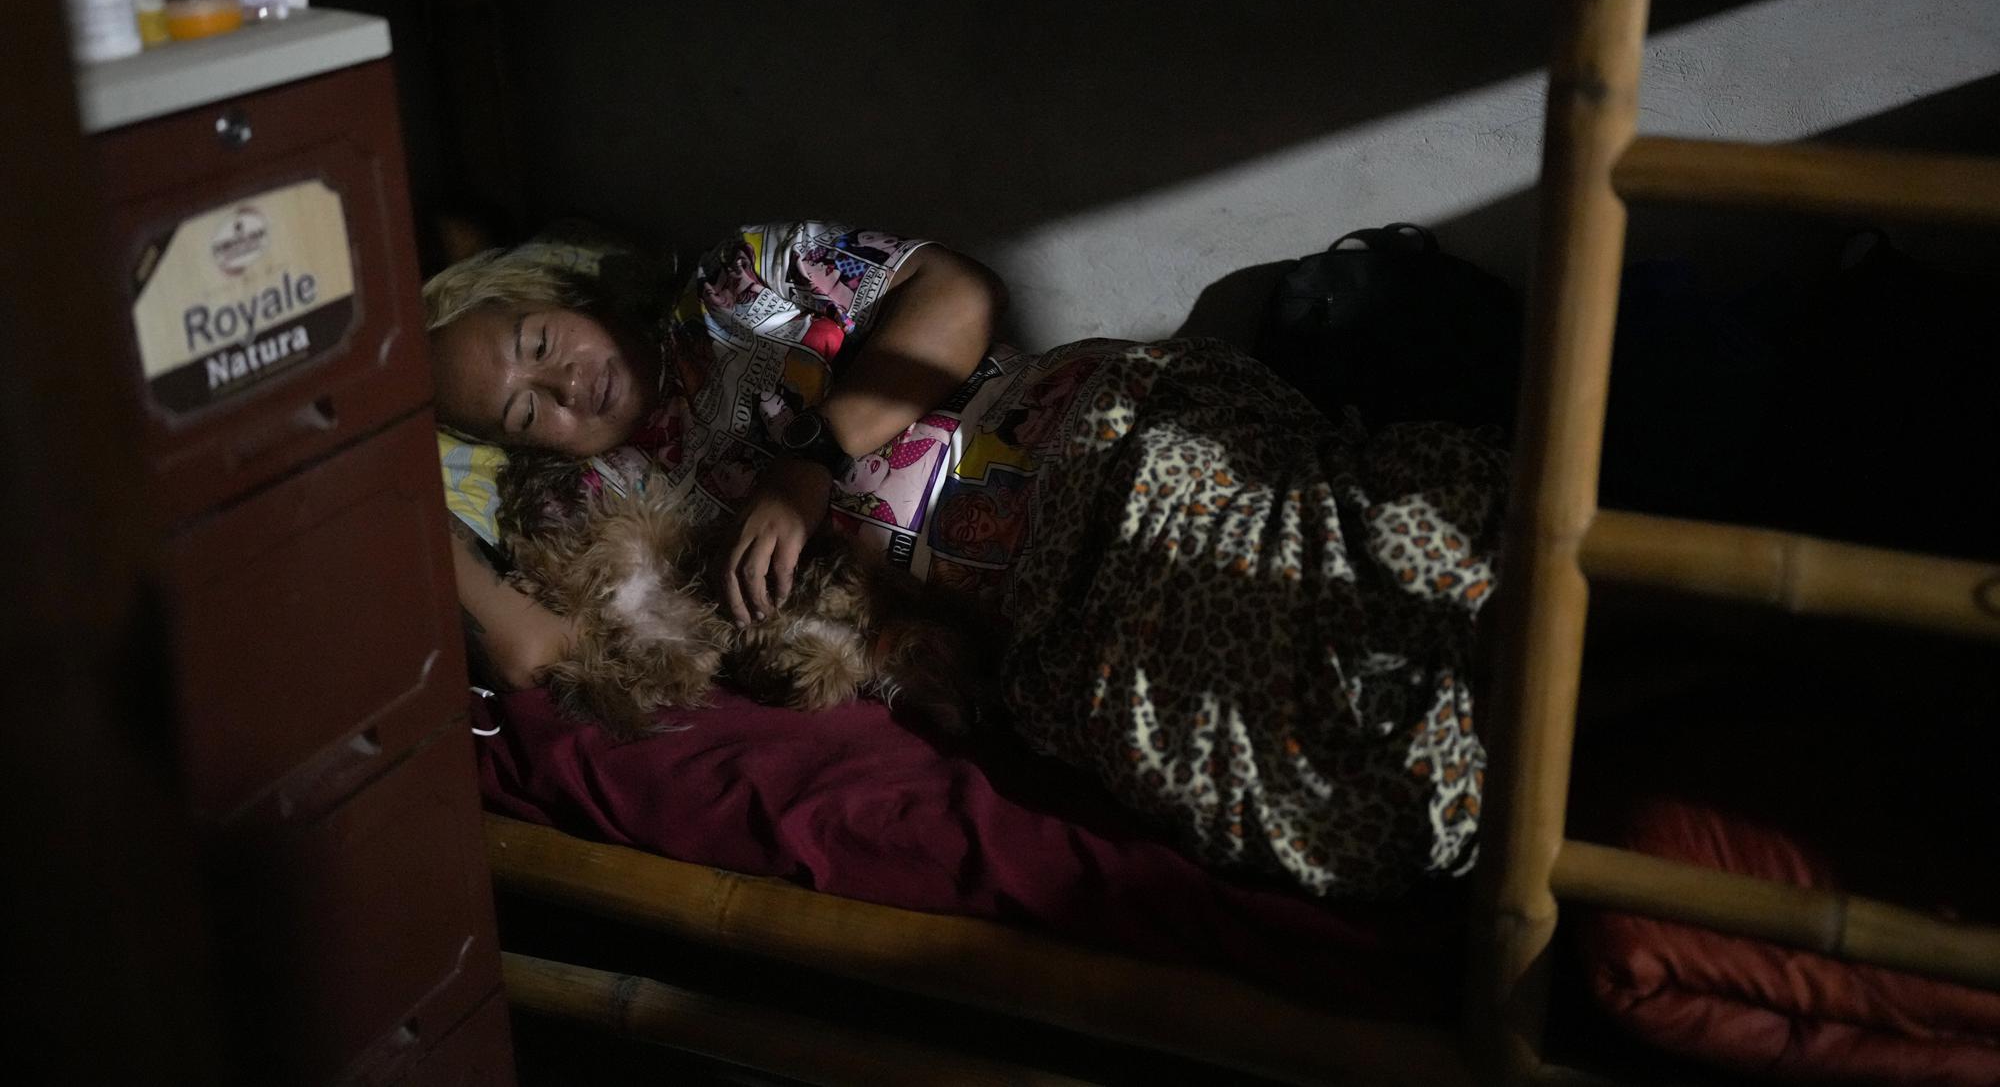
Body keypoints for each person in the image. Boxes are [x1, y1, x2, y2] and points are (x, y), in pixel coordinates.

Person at [426, 222, 1506, 899]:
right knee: (1258, 770)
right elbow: (531, 646)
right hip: (1043, 624)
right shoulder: (614, 494)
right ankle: (1523, 760)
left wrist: (808, 458)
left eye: (537, 344)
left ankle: (1558, 655)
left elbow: (957, 292)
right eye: (529, 411)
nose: (565, 387)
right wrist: (401, 482)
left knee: (1321, 561)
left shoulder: (730, 284)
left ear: (561, 294)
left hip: (1091, 452)